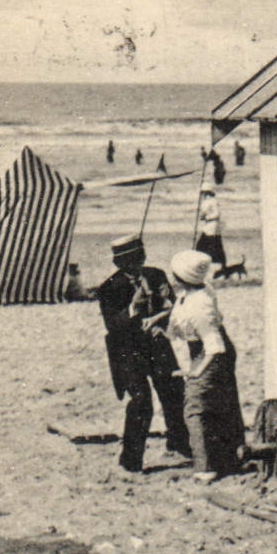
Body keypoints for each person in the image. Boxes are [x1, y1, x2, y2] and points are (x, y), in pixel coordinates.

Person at [97, 236, 191, 473]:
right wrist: (132, 309)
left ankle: (179, 442)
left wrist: (162, 322)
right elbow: (113, 326)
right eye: (131, 260)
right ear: (120, 263)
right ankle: (130, 459)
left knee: (173, 392)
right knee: (141, 402)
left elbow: (172, 308)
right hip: (128, 352)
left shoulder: (156, 275)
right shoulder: (109, 288)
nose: (138, 264)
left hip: (158, 346)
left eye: (140, 257)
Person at [165, 250, 245, 482]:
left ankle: (205, 467)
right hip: (206, 350)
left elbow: (214, 346)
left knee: (196, 407)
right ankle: (229, 457)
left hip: (211, 353)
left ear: (181, 279)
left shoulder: (197, 306)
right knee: (221, 403)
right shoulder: (197, 291)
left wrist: (195, 372)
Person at [194, 181, 226, 269]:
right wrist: (202, 216)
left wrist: (207, 217)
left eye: (203, 192)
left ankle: (219, 265)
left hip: (213, 227)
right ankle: (219, 264)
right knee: (206, 245)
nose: (202, 194)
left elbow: (217, 214)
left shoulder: (213, 201)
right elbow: (204, 213)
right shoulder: (206, 202)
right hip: (208, 227)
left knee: (211, 246)